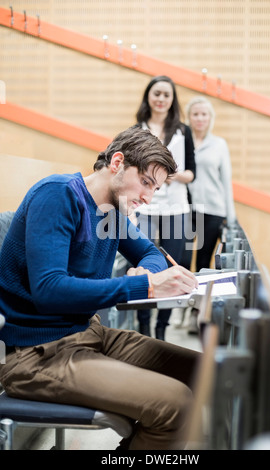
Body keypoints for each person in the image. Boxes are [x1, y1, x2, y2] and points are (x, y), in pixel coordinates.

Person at [0, 126, 201, 451]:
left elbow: (151, 254)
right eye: (146, 182)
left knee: (206, 371)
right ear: (117, 162)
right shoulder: (58, 194)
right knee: (175, 403)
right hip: (35, 356)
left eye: (156, 189)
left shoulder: (112, 213)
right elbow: (49, 290)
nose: (148, 198)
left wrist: (146, 272)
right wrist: (144, 285)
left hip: (88, 334)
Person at [135, 75, 196, 341]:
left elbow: (191, 173)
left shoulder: (183, 130)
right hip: (145, 206)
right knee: (144, 264)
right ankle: (143, 325)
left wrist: (168, 175)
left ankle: (161, 328)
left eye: (166, 95)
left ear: (172, 100)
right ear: (149, 96)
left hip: (176, 207)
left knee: (173, 265)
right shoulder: (137, 129)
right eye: (156, 93)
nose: (161, 99)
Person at [184, 96, 236, 333]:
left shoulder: (219, 144)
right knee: (183, 260)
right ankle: (182, 306)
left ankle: (197, 313)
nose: (200, 118)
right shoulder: (182, 141)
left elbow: (226, 181)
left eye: (204, 114)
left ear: (210, 118)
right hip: (186, 208)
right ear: (189, 117)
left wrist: (230, 216)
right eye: (196, 114)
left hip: (213, 210)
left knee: (204, 262)